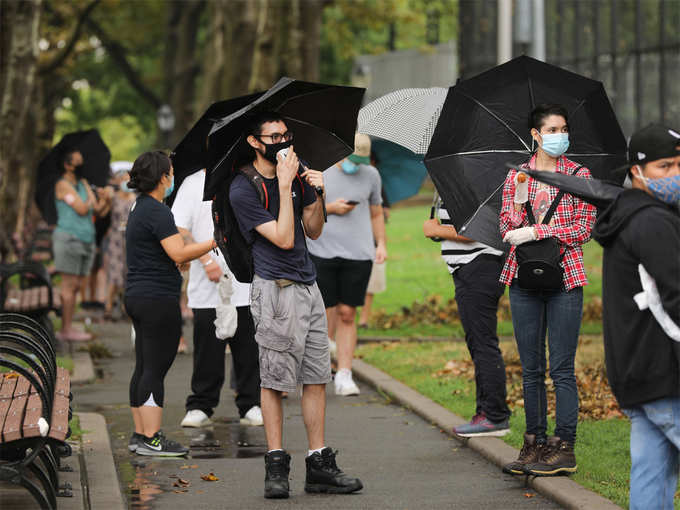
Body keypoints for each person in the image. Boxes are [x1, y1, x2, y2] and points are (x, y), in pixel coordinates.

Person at [229, 111, 363, 499]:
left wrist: (316, 191)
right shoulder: (243, 187)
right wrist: (286, 185)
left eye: (286, 134)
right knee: (274, 382)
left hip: (308, 286)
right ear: (255, 143)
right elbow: (284, 238)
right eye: (273, 137)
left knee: (316, 376)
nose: (283, 142)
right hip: (274, 290)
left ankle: (319, 464)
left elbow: (314, 230)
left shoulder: (299, 171)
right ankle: (275, 465)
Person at [499, 104, 596, 476]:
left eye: (564, 129)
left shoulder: (578, 174)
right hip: (524, 277)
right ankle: (534, 444)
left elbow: (583, 228)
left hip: (565, 279)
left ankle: (564, 447)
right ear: (536, 135)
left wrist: (539, 231)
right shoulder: (519, 176)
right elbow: (506, 222)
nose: (560, 135)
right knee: (531, 368)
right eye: (552, 130)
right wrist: (520, 215)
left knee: (562, 368)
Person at [592, 124, 680, 509]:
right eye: (664, 167)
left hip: (637, 373)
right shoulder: (652, 222)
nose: (675, 175)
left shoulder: (630, 217)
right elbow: (675, 296)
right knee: (652, 472)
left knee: (651, 474)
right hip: (665, 371)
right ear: (636, 172)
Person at [124, 151, 215, 457]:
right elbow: (178, 253)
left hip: (138, 294)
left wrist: (178, 257)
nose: (174, 177)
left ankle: (140, 435)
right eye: (172, 172)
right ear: (163, 177)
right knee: (155, 368)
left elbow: (163, 250)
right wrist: (217, 241)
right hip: (156, 298)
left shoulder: (141, 207)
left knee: (144, 366)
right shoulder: (159, 211)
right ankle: (152, 438)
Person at [171, 168, 263, 428]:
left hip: (245, 280)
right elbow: (179, 226)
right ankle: (201, 404)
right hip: (206, 283)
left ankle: (250, 403)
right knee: (207, 351)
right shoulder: (193, 182)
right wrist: (205, 259)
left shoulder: (245, 178)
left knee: (248, 348)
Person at [308, 133, 387, 396]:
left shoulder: (371, 175)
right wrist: (329, 208)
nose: (358, 164)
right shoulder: (321, 172)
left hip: (359, 253)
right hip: (323, 251)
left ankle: (344, 373)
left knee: (347, 313)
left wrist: (381, 244)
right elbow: (305, 211)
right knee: (321, 314)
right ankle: (316, 372)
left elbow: (376, 212)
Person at [423, 201, 510, 436]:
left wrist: (436, 230)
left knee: (483, 343)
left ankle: (495, 416)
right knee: (477, 342)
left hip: (480, 268)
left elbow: (477, 231)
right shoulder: (454, 181)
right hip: (469, 269)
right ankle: (485, 413)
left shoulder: (468, 184)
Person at [53, 149, 112, 342]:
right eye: (77, 162)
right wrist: (93, 197)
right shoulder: (62, 185)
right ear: (67, 165)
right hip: (69, 239)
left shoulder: (82, 183)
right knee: (69, 286)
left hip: (86, 239)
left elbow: (98, 210)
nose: (81, 165)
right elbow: (81, 208)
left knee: (77, 285)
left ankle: (68, 327)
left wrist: (107, 199)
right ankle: (66, 329)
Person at [104, 168, 136, 319]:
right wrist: (105, 197)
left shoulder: (134, 199)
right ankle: (108, 307)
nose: (125, 182)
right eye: (122, 179)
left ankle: (125, 307)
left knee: (127, 273)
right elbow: (101, 212)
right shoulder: (113, 198)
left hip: (130, 239)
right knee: (114, 273)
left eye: (127, 179)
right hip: (115, 239)